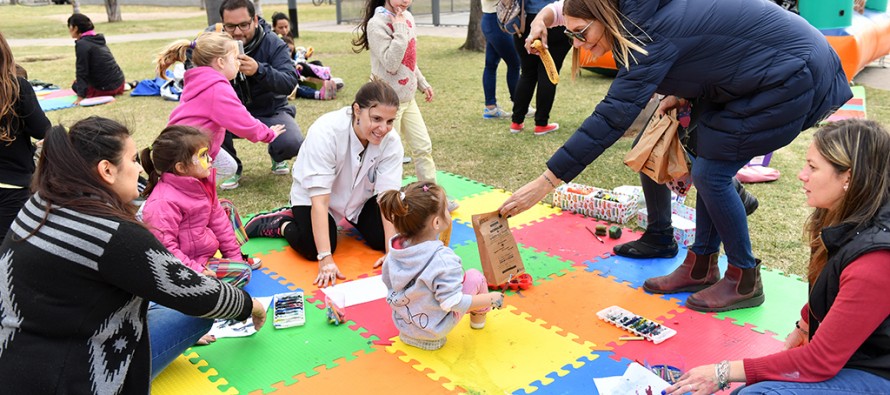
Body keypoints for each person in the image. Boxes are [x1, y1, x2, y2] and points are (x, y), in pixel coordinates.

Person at [499, 0, 852, 312]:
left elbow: (611, 117)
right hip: (768, 69)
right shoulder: (635, 14)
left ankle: (744, 279)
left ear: (604, 17)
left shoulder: (645, 32)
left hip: (793, 73)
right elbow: (707, 49)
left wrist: (547, 181)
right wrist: (683, 90)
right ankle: (701, 265)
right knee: (706, 160)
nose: (579, 44)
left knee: (712, 172)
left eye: (581, 34)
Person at [0, 116, 267, 393]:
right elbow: (196, 294)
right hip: (76, 377)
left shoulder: (38, 204)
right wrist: (250, 306)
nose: (140, 167)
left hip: (15, 355)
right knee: (194, 313)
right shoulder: (113, 234)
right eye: (132, 160)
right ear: (107, 170)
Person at [664, 119, 890, 395]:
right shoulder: (851, 216)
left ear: (848, 178)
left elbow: (819, 361)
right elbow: (833, 287)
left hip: (877, 373)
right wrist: (805, 324)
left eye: (813, 167)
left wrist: (721, 372)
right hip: (858, 356)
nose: (801, 174)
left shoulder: (876, 259)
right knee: (749, 387)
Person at [244, 80, 403, 287]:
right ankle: (281, 223)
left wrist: (391, 252)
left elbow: (387, 198)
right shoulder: (327, 131)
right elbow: (320, 201)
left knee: (387, 239)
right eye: (376, 119)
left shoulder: (391, 141)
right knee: (313, 249)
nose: (383, 128)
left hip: (359, 199)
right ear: (357, 110)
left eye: (390, 121)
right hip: (314, 197)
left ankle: (355, 222)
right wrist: (325, 258)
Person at [352, 0, 459, 211]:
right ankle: (380, 201)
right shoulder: (378, 24)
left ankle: (432, 199)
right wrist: (399, 27)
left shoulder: (407, 18)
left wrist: (422, 83)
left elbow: (409, 58)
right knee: (386, 154)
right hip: (386, 104)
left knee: (423, 147)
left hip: (408, 100)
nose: (406, 0)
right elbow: (391, 64)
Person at [378, 181, 505, 350]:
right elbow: (453, 303)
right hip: (435, 330)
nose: (449, 212)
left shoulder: (395, 249)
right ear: (436, 223)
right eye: (446, 208)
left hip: (404, 325)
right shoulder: (443, 260)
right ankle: (478, 320)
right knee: (475, 277)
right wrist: (492, 298)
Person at [157, 31, 285, 182]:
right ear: (221, 62)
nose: (239, 62)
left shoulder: (200, 80)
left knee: (226, 167)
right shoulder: (216, 89)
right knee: (212, 174)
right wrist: (267, 134)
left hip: (181, 145)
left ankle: (201, 195)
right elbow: (241, 120)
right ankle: (193, 193)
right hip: (187, 151)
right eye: (235, 58)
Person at [219, 0, 303, 189]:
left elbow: (289, 81)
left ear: (255, 20)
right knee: (202, 126)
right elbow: (193, 67)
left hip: (270, 110)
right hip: (229, 113)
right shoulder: (214, 40)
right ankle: (231, 167)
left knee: (292, 142)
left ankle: (277, 154)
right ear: (222, 24)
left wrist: (259, 70)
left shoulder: (272, 42)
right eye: (231, 26)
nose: (238, 32)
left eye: (244, 25)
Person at [0, 31, 51, 244]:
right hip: (11, 186)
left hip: (12, 183)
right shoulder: (16, 88)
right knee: (11, 248)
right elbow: (43, 130)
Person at [507, 0, 570, 135]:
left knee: (527, 73)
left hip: (525, 20)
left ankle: (516, 122)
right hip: (556, 20)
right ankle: (541, 123)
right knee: (549, 72)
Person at [67, 13, 126, 103]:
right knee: (80, 82)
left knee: (75, 85)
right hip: (120, 84)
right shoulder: (97, 39)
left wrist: (80, 96)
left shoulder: (82, 44)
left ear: (75, 28)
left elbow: (82, 71)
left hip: (105, 89)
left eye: (70, 27)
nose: (69, 30)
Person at [480, 0, 521, 119]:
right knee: (514, 63)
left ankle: (491, 108)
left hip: (494, 18)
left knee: (491, 64)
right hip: (496, 19)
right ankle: (519, 104)